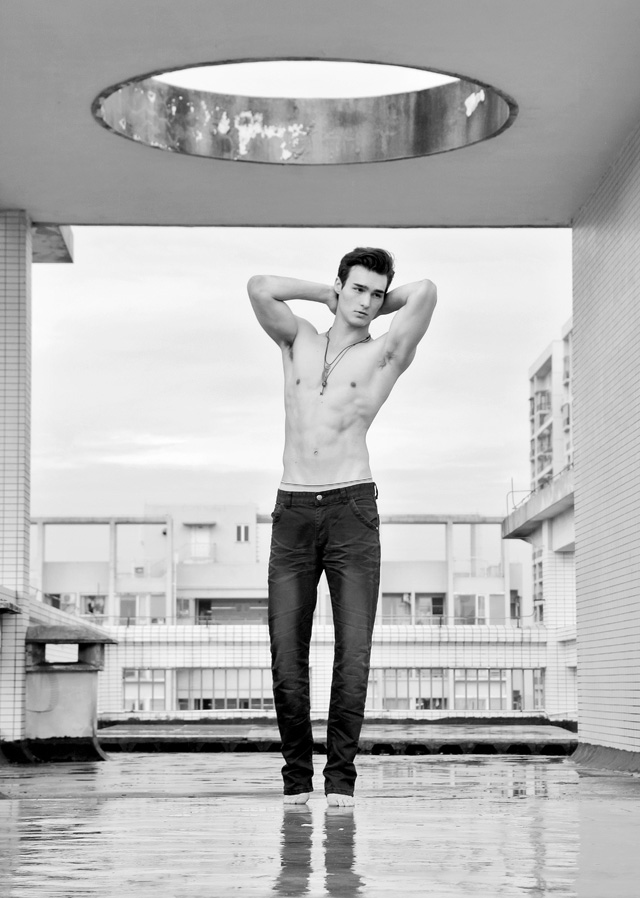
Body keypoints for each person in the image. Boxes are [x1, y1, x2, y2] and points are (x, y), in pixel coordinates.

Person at [248, 247, 437, 806]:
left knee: (353, 654)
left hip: (351, 509)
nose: (366, 302)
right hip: (293, 510)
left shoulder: (384, 354)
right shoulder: (298, 339)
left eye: (377, 294)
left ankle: (340, 783)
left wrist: (377, 304)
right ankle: (295, 781)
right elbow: (259, 286)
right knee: (287, 654)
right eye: (357, 289)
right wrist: (326, 294)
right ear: (339, 286)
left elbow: (425, 291)